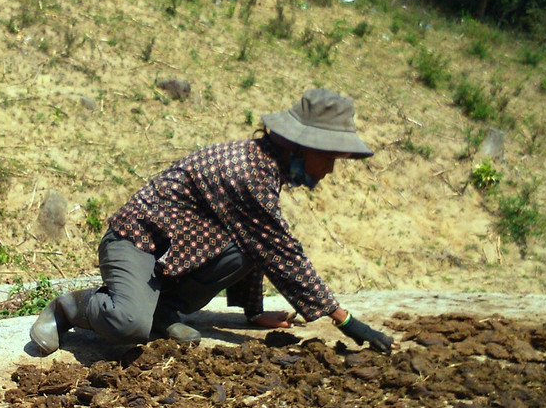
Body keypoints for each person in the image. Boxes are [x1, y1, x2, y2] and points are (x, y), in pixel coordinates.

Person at [29, 88, 394, 356]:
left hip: (176, 252)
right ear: (300, 146)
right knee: (128, 324)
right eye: (328, 158)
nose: (329, 170)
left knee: (250, 247)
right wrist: (346, 321)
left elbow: (258, 244)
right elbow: (283, 253)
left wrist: (254, 312)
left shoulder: (266, 169)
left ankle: (163, 312)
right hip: (137, 241)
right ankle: (69, 308)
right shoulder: (247, 171)